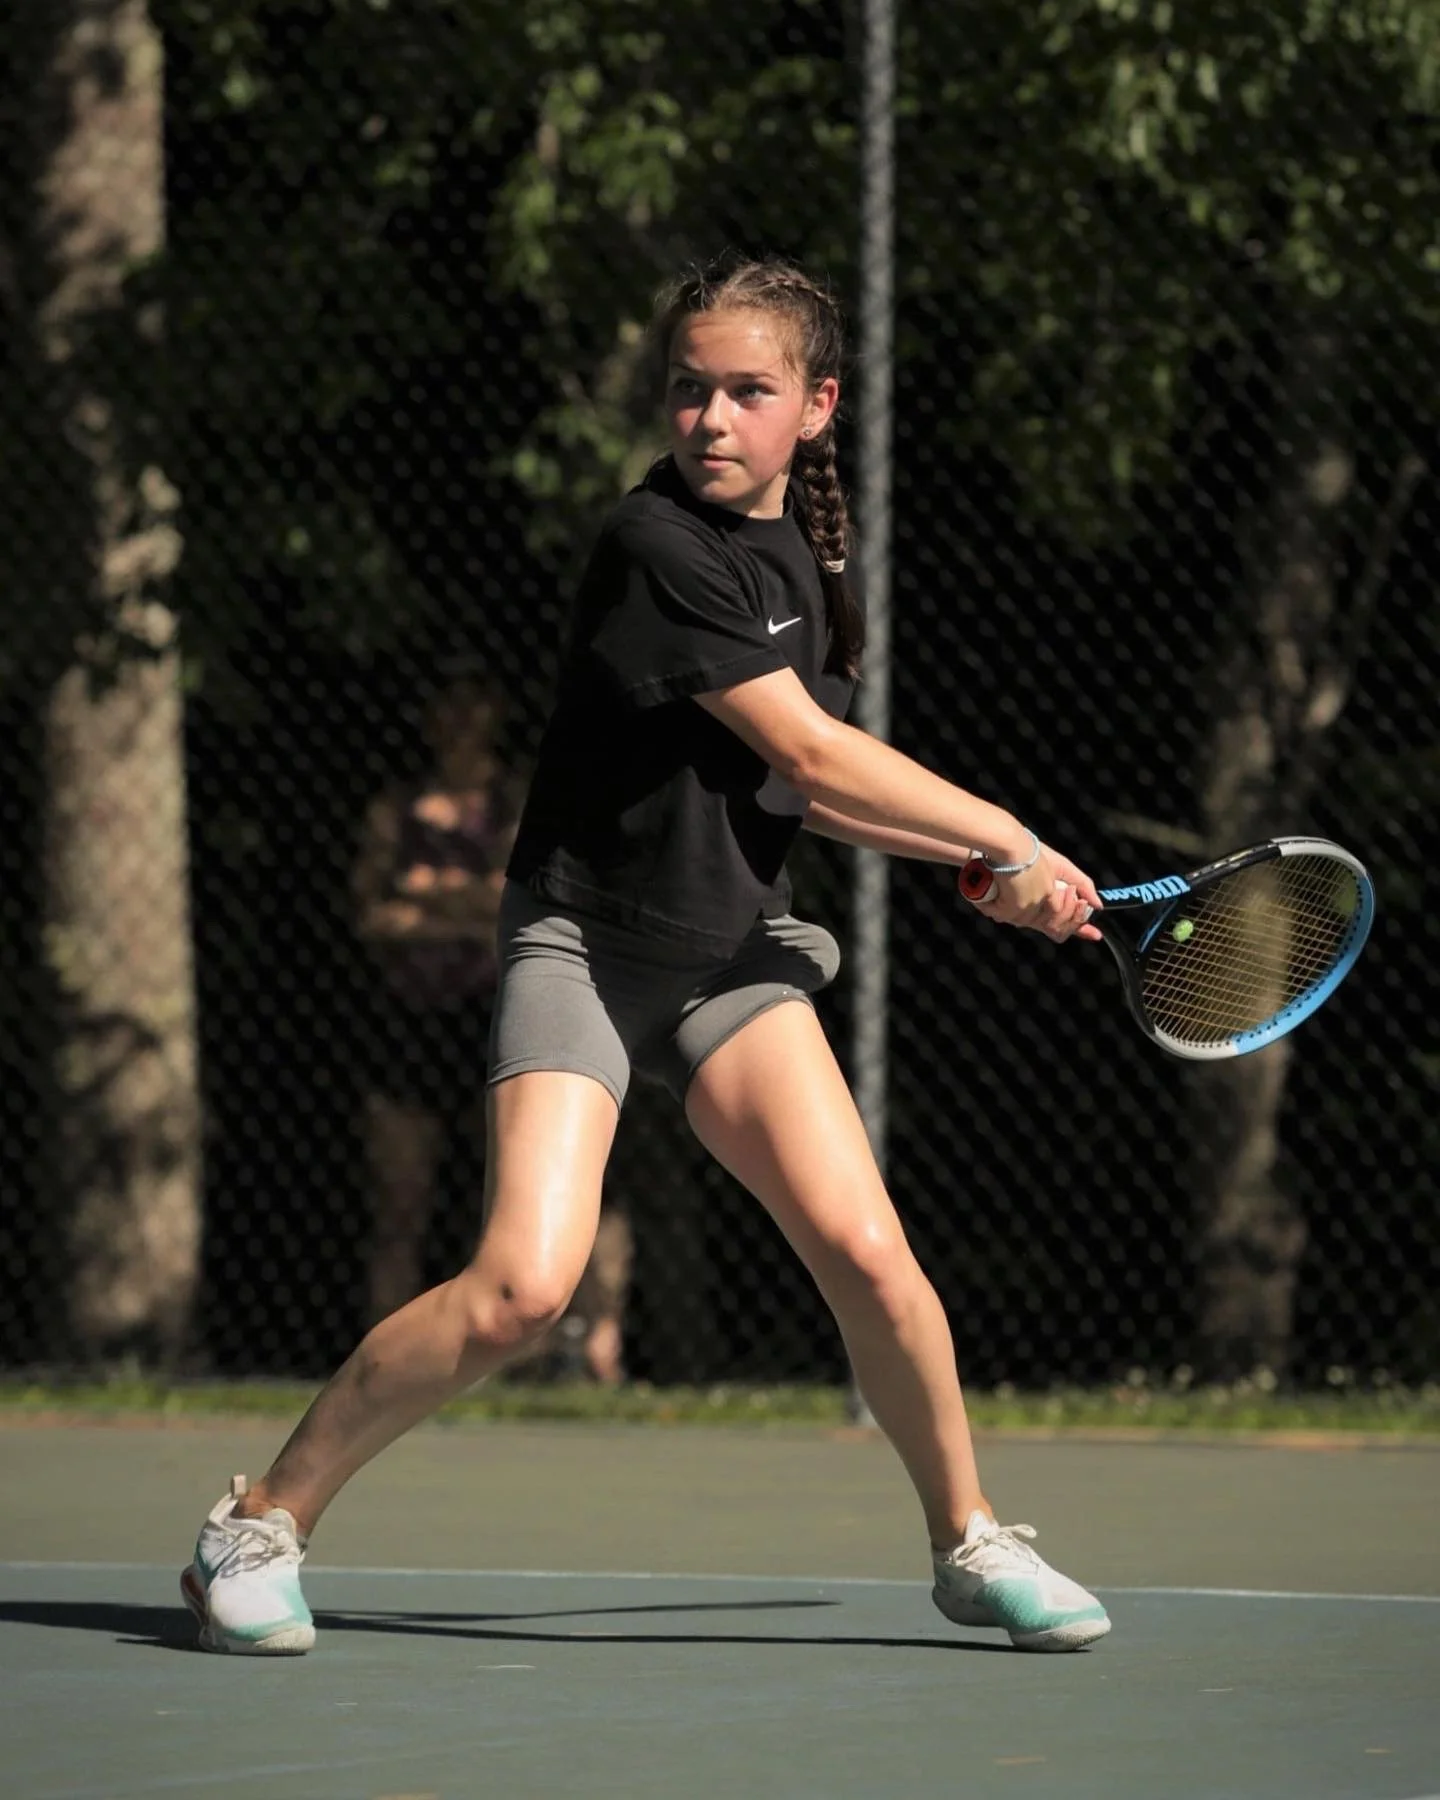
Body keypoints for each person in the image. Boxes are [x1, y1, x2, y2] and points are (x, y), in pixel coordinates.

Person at [180, 251, 1111, 1658]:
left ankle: (969, 1541)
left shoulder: (806, 558)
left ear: (817, 405)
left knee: (870, 1253)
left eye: (750, 391)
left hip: (729, 953)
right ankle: (257, 1521)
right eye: (690, 390)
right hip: (586, 945)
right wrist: (1011, 833)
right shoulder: (651, 544)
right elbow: (806, 743)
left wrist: (975, 865)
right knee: (525, 1289)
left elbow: (803, 790)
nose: (713, 419)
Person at [353, 661, 631, 1380]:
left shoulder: (518, 802)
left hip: (504, 1018)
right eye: (447, 703)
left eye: (475, 703)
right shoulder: (398, 808)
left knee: (526, 1197)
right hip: (411, 1026)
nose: (460, 719)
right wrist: (464, 902)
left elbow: (515, 903)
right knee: (399, 1204)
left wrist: (424, 894)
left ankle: (576, 1359)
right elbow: (372, 915)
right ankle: (383, 1368)